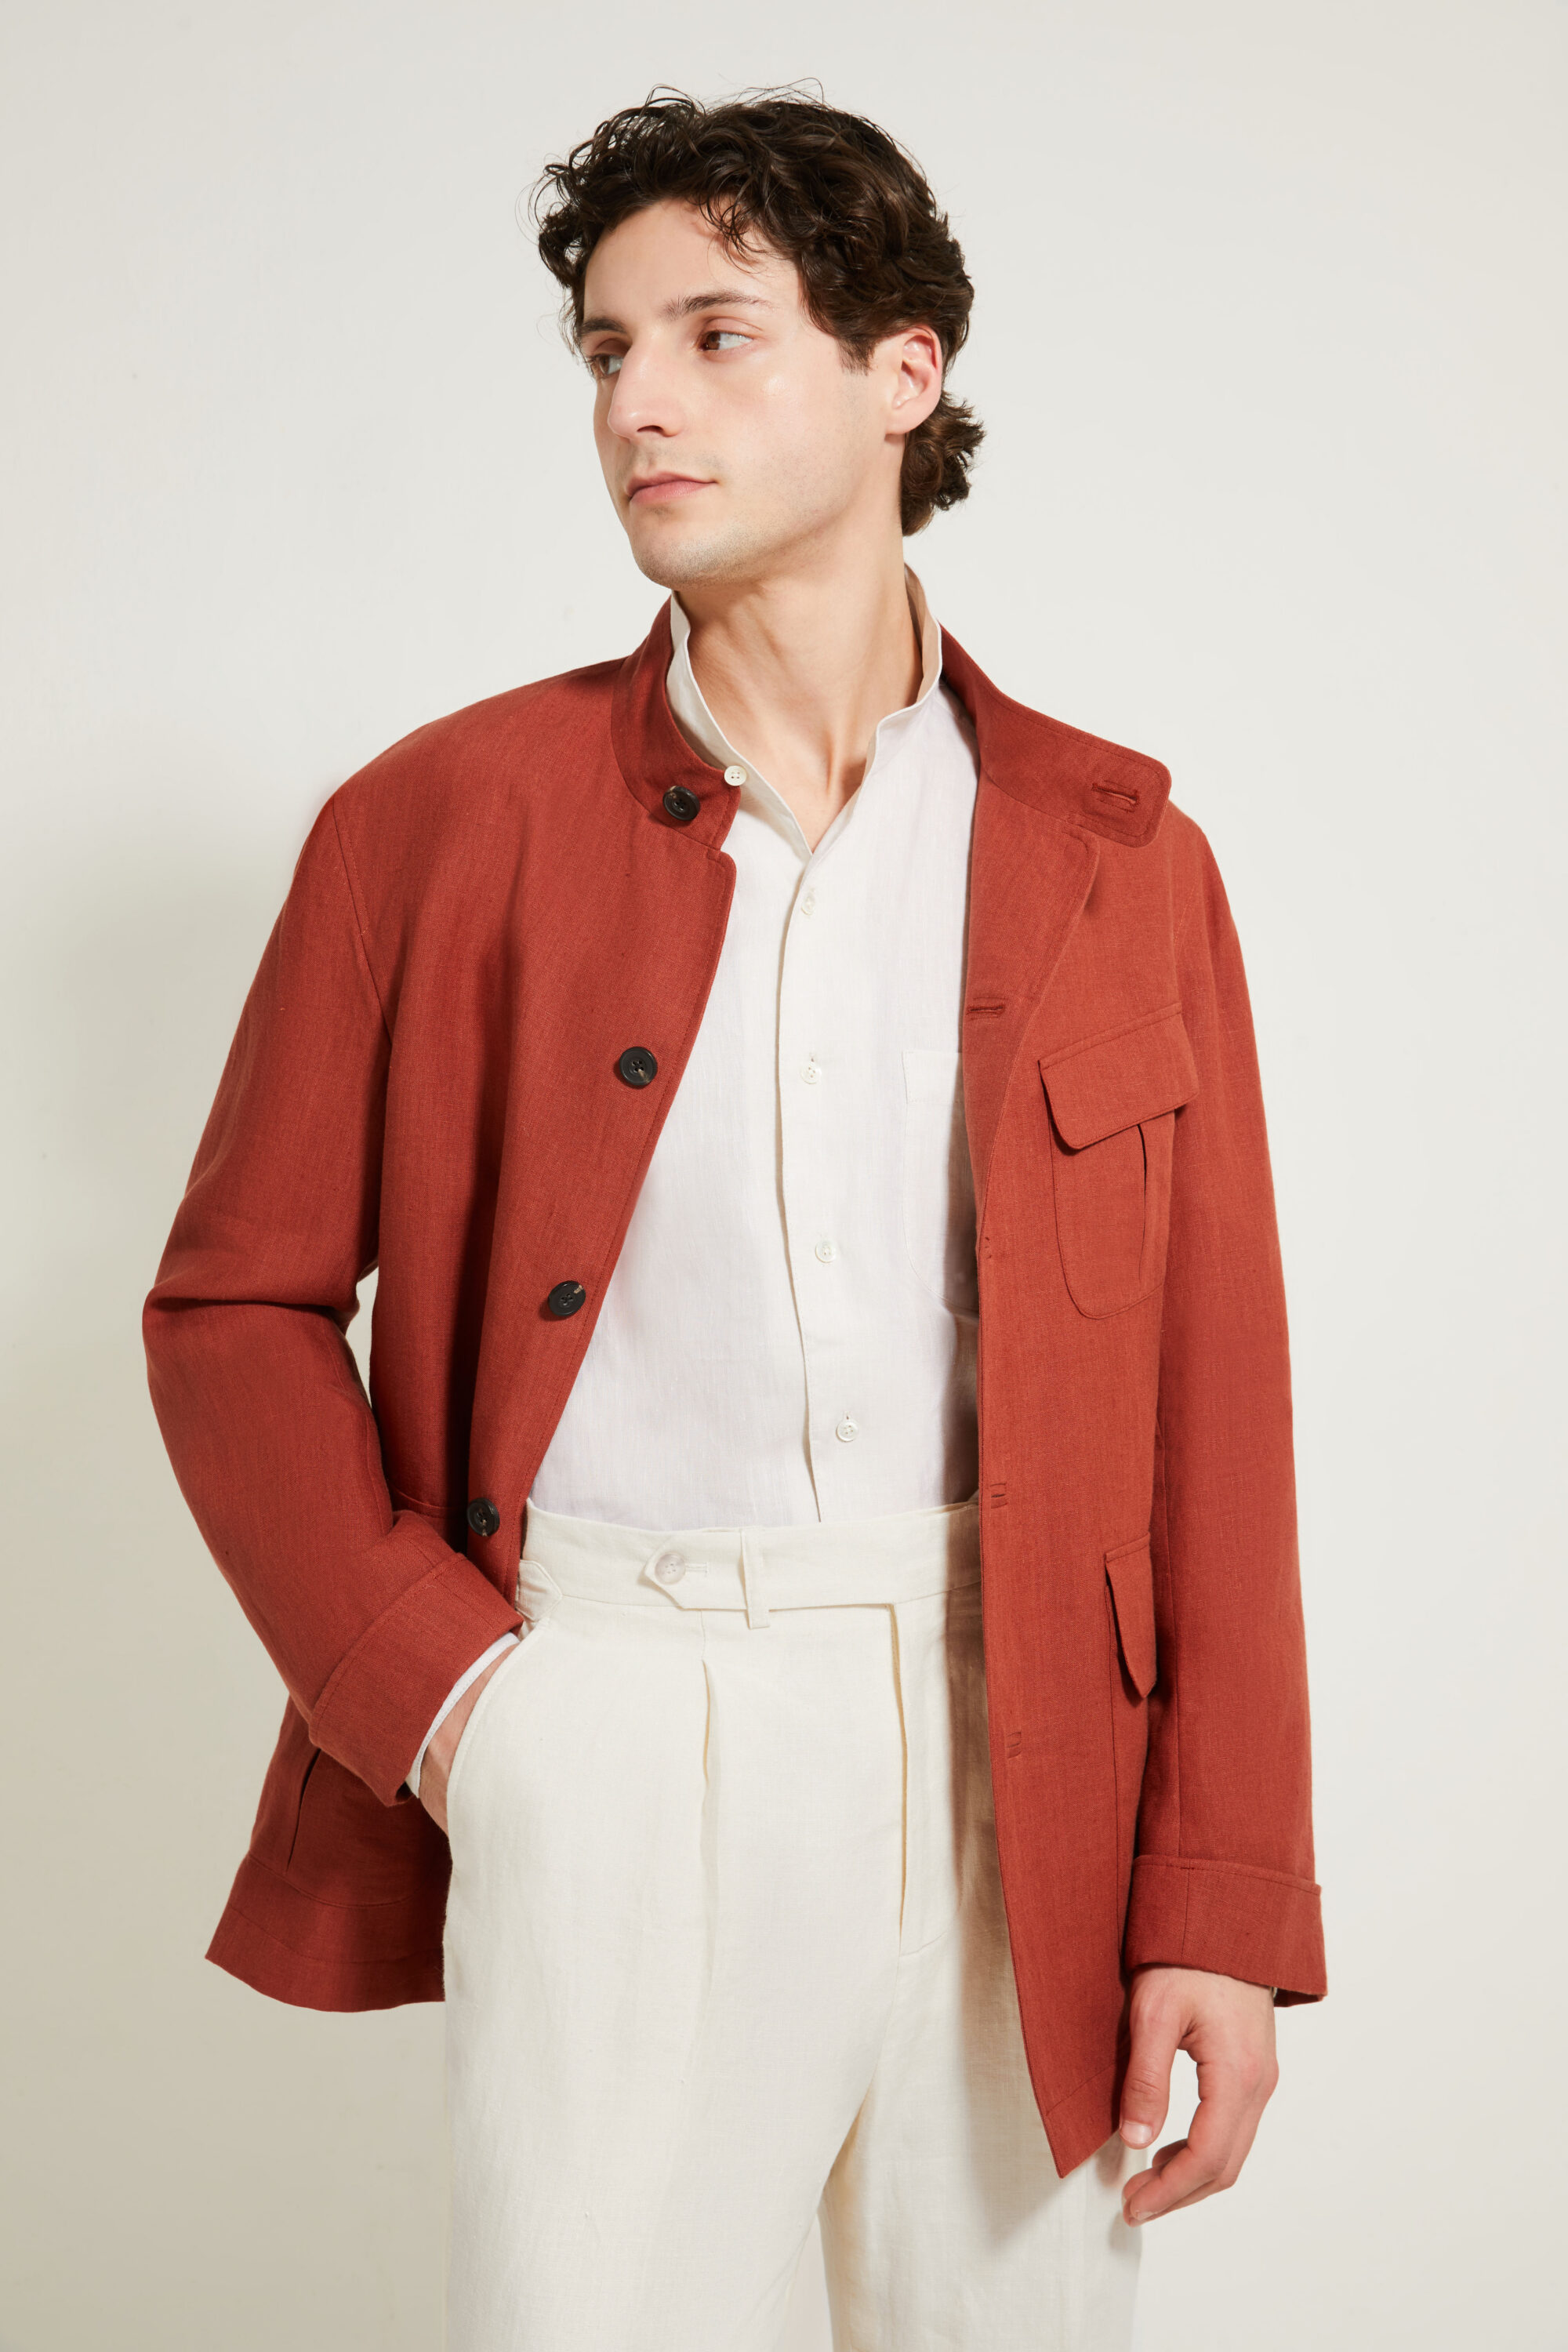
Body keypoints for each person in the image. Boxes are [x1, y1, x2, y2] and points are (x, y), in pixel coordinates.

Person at [143, 87, 1325, 2352]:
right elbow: (233, 1308)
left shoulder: (1121, 859)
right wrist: (464, 1711)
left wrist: (1226, 1895)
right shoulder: (435, 821)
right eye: (606, 351)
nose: (637, 403)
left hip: (1023, 1749)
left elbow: (1216, 1399)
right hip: (619, 1713)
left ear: (905, 372)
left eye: (714, 333)